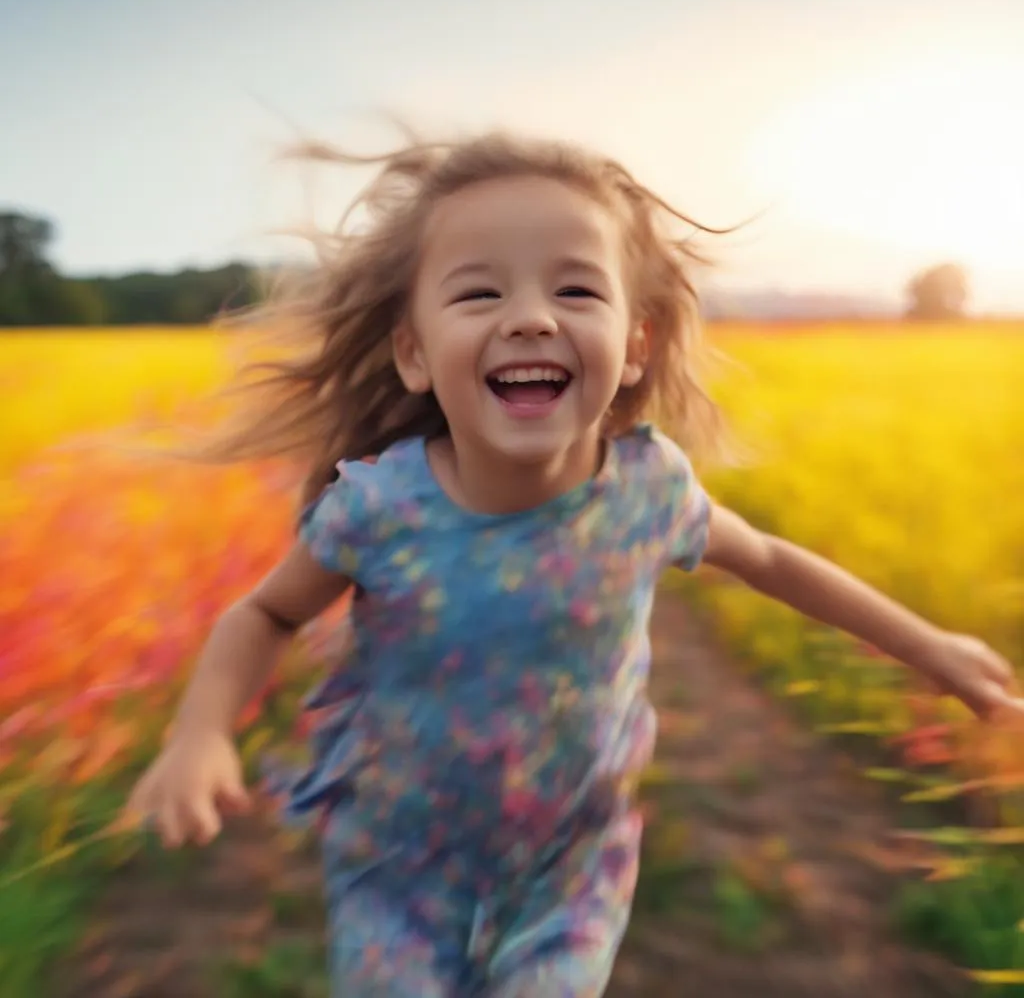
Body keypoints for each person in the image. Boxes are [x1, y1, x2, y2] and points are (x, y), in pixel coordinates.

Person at [127, 130, 1024, 997]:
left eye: (577, 291)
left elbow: (773, 563)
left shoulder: (647, 492)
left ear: (636, 345)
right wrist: (199, 731)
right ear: (414, 352)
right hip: (395, 874)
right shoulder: (380, 508)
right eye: (479, 295)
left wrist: (930, 648)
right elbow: (266, 614)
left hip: (570, 875)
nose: (529, 318)